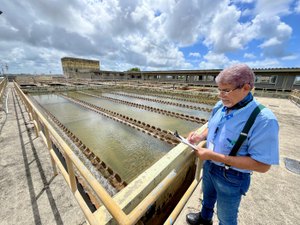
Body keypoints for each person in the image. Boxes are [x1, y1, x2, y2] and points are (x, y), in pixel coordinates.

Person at [186, 64, 279, 225]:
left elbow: (263, 165)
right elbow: (212, 126)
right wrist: (200, 135)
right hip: (209, 166)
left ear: (246, 87)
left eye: (226, 90)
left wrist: (215, 156)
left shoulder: (263, 119)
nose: (221, 95)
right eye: (219, 89)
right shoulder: (220, 106)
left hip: (232, 177)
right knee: (207, 198)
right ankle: (204, 218)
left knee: (226, 218)